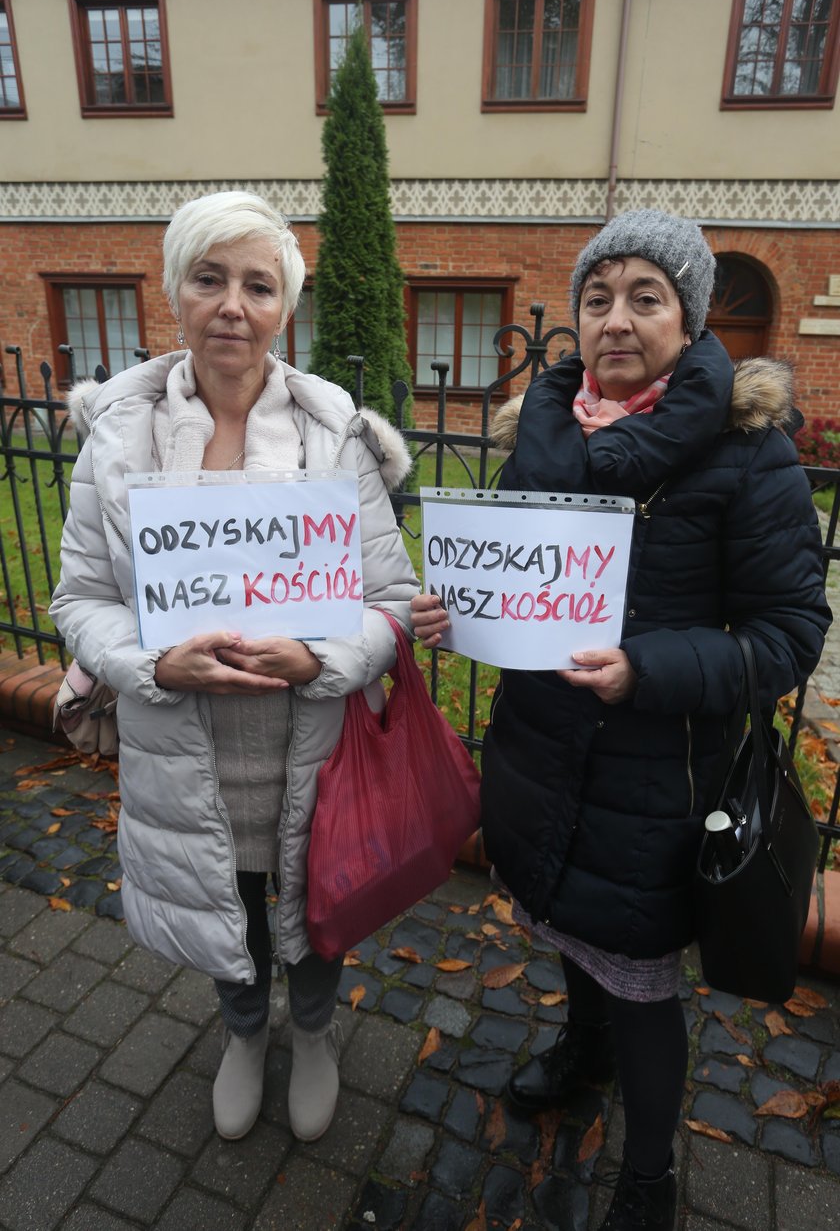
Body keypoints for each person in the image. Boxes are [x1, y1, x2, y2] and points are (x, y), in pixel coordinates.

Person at [411, 209, 830, 1230]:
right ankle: (579, 1051)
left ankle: (649, 1176)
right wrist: (453, 610)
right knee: (562, 918)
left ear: (687, 321)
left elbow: (787, 635)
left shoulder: (747, 454)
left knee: (642, 979)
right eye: (598, 297)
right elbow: (512, 575)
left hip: (656, 780)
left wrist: (647, 668)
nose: (616, 319)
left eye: (646, 297)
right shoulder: (541, 431)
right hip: (540, 753)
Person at [51, 190, 418, 1145]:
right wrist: (152, 664)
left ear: (284, 309)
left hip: (311, 740)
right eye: (209, 279)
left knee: (317, 897)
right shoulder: (117, 439)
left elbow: (392, 604)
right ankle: (246, 1035)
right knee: (230, 907)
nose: (233, 306)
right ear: (176, 291)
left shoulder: (333, 433)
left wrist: (323, 658)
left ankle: (317, 1030)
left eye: (259, 285)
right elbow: (79, 600)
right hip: (188, 745)